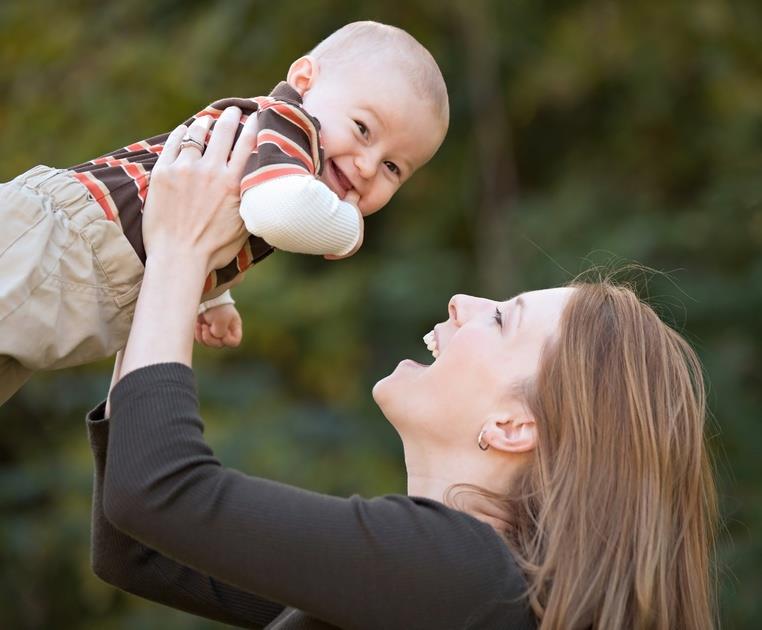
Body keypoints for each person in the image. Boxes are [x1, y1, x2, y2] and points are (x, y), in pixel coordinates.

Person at [87, 115, 718, 629]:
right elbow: (139, 550)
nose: (462, 302)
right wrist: (170, 272)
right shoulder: (453, 591)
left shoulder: (466, 580)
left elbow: (155, 492)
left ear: (512, 424)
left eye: (501, 320)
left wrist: (178, 247)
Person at [0, 21, 448, 405]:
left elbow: (218, 220)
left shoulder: (282, 161)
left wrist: (213, 296)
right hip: (59, 243)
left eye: (393, 167)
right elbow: (278, 212)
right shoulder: (292, 125)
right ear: (305, 81)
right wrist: (348, 230)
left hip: (72, 268)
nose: (368, 167)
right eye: (362, 128)